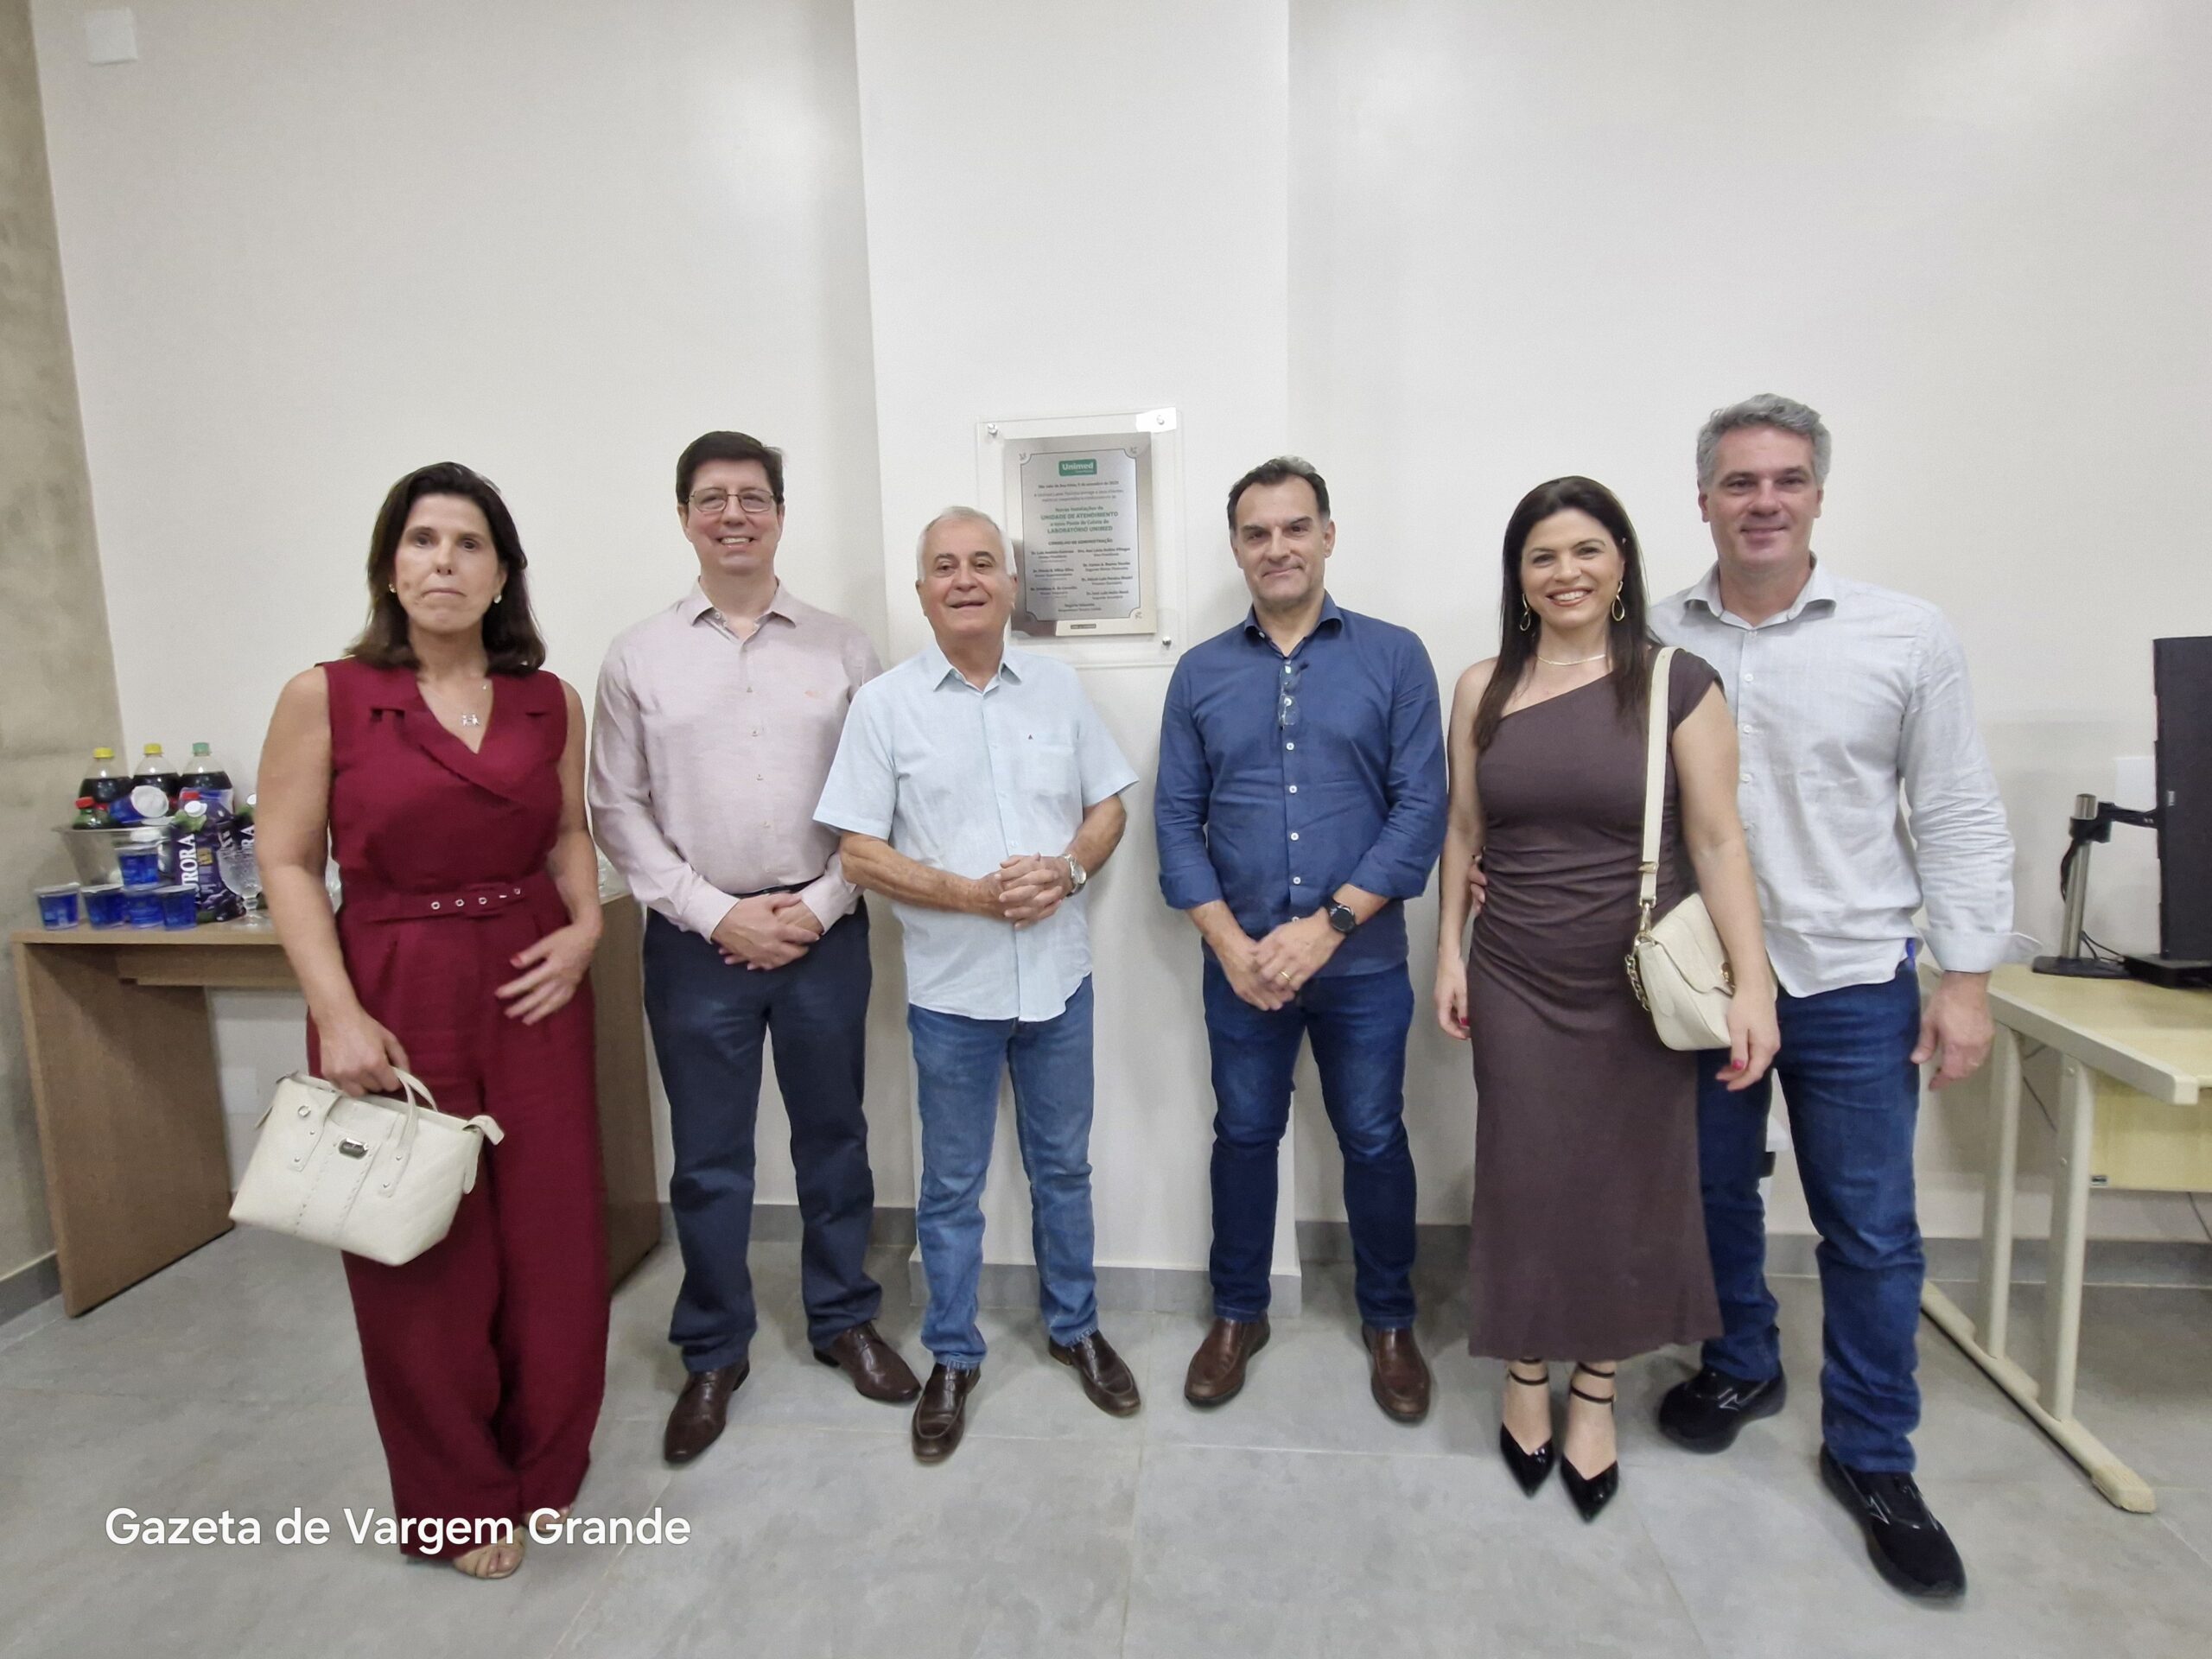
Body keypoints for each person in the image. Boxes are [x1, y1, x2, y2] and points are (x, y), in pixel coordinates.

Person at [258, 462, 607, 1580]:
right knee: (419, 1248)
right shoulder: (326, 695)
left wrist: (587, 926)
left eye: (468, 544)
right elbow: (286, 861)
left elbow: (568, 832)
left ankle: (544, 1465)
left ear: (503, 573)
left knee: (554, 1237)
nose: (443, 563)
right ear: (389, 566)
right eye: (422, 541)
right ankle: (457, 1500)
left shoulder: (550, 699)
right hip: (393, 985)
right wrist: (338, 1015)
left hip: (532, 978)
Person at [1433, 475, 1777, 1522]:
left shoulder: (1677, 682)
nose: (1565, 572)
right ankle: (1523, 1370)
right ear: (1519, 577)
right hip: (1513, 971)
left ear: (1621, 563)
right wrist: (1448, 951)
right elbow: (1463, 831)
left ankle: (1594, 1389)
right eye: (1542, 555)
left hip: (1634, 980)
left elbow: (1717, 841)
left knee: (1627, 1185)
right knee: (1526, 1176)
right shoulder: (1482, 687)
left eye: (1586, 550)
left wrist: (1753, 986)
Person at [590, 431, 918, 1471]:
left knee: (835, 1139)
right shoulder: (637, 656)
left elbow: (881, 798)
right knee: (709, 1159)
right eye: (711, 498)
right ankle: (713, 1349)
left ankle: (843, 1318)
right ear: (683, 516)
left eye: (752, 497)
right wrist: (711, 912)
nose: (732, 515)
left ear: (779, 512)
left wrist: (818, 907)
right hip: (697, 944)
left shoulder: (843, 648)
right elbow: (616, 807)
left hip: (824, 933)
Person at [815, 506, 1141, 1464]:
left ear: (1010, 585)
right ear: (922, 592)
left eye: (982, 563)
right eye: (945, 566)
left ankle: (1075, 1328)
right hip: (951, 994)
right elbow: (858, 852)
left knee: (1064, 1170)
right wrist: (970, 895)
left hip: (1059, 985)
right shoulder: (883, 707)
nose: (965, 579)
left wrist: (1068, 871)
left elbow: (1108, 808)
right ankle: (953, 1355)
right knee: (951, 1186)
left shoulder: (1059, 687)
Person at [1154, 456, 1447, 1423]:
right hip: (1240, 968)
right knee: (1243, 1135)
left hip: (1360, 963)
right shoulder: (1200, 673)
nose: (1276, 547)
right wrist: (1230, 945)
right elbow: (1175, 820)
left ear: (1327, 534)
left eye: (1294, 527)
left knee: (1373, 1136)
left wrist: (1326, 928)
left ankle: (1390, 1321)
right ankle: (1238, 1313)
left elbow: (1420, 809)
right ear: (1237, 547)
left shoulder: (1394, 657)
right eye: (1256, 532)